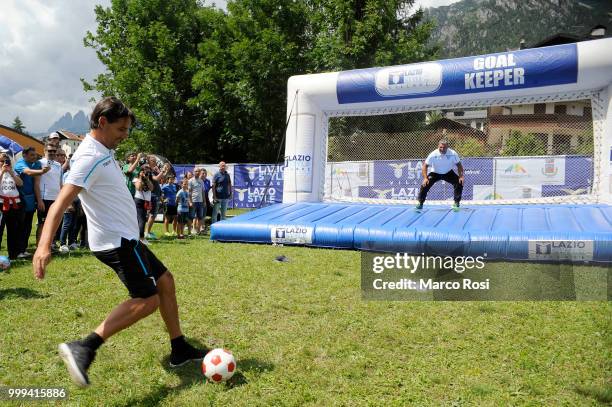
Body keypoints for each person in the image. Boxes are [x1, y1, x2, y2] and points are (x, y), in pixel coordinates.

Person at [33, 96, 208, 388]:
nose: (125, 135)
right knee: (148, 299)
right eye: (121, 129)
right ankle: (85, 346)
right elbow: (61, 202)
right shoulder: (89, 156)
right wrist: (43, 245)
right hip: (117, 242)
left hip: (127, 239)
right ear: (102, 123)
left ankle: (179, 348)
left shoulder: (103, 150)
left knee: (165, 281)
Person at [14, 146, 50, 258]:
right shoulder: (20, 163)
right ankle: (17, 251)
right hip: (19, 199)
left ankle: (23, 250)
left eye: (35, 155)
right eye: (31, 155)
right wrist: (42, 171)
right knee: (20, 225)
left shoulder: (37, 164)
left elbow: (36, 184)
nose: (34, 157)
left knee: (28, 225)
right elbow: (28, 172)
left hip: (30, 199)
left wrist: (39, 200)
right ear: (24, 155)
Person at [416, 139, 464, 211]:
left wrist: (461, 176)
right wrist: (425, 178)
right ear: (438, 146)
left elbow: (459, 165)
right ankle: (420, 203)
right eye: (440, 147)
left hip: (448, 172)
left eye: (444, 147)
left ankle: (456, 203)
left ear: (447, 147)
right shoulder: (433, 154)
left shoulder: (453, 153)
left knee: (459, 182)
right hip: (435, 173)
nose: (442, 149)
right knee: (424, 184)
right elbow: (425, 166)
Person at [37, 143, 63, 247]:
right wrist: (39, 200)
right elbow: (36, 183)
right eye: (49, 151)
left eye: (54, 151)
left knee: (54, 223)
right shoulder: (39, 163)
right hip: (44, 198)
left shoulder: (58, 165)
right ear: (44, 151)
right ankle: (39, 245)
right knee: (42, 223)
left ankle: (50, 244)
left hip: (56, 199)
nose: (52, 153)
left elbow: (60, 183)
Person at [0, 152, 24, 260]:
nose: (4, 163)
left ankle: (13, 255)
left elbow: (20, 184)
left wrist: (11, 173)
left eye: (6, 160)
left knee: (13, 230)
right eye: (1, 160)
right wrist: (2, 172)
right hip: (1, 204)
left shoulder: (13, 171)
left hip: (14, 204)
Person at [134, 164, 154, 244]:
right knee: (141, 220)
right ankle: (141, 238)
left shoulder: (149, 179)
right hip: (139, 201)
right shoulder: (136, 179)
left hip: (146, 202)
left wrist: (147, 179)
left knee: (142, 219)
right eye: (145, 171)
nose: (147, 173)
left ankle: (139, 237)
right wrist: (140, 178)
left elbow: (152, 188)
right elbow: (138, 188)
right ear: (141, 172)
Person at [188, 168, 205, 235]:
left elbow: (203, 192)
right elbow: (189, 192)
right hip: (193, 201)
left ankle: (198, 231)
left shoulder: (201, 181)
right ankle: (190, 230)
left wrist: (204, 201)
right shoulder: (190, 181)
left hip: (200, 201)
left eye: (198, 171)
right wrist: (190, 202)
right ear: (193, 172)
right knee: (191, 217)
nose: (197, 172)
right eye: (196, 171)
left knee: (200, 217)